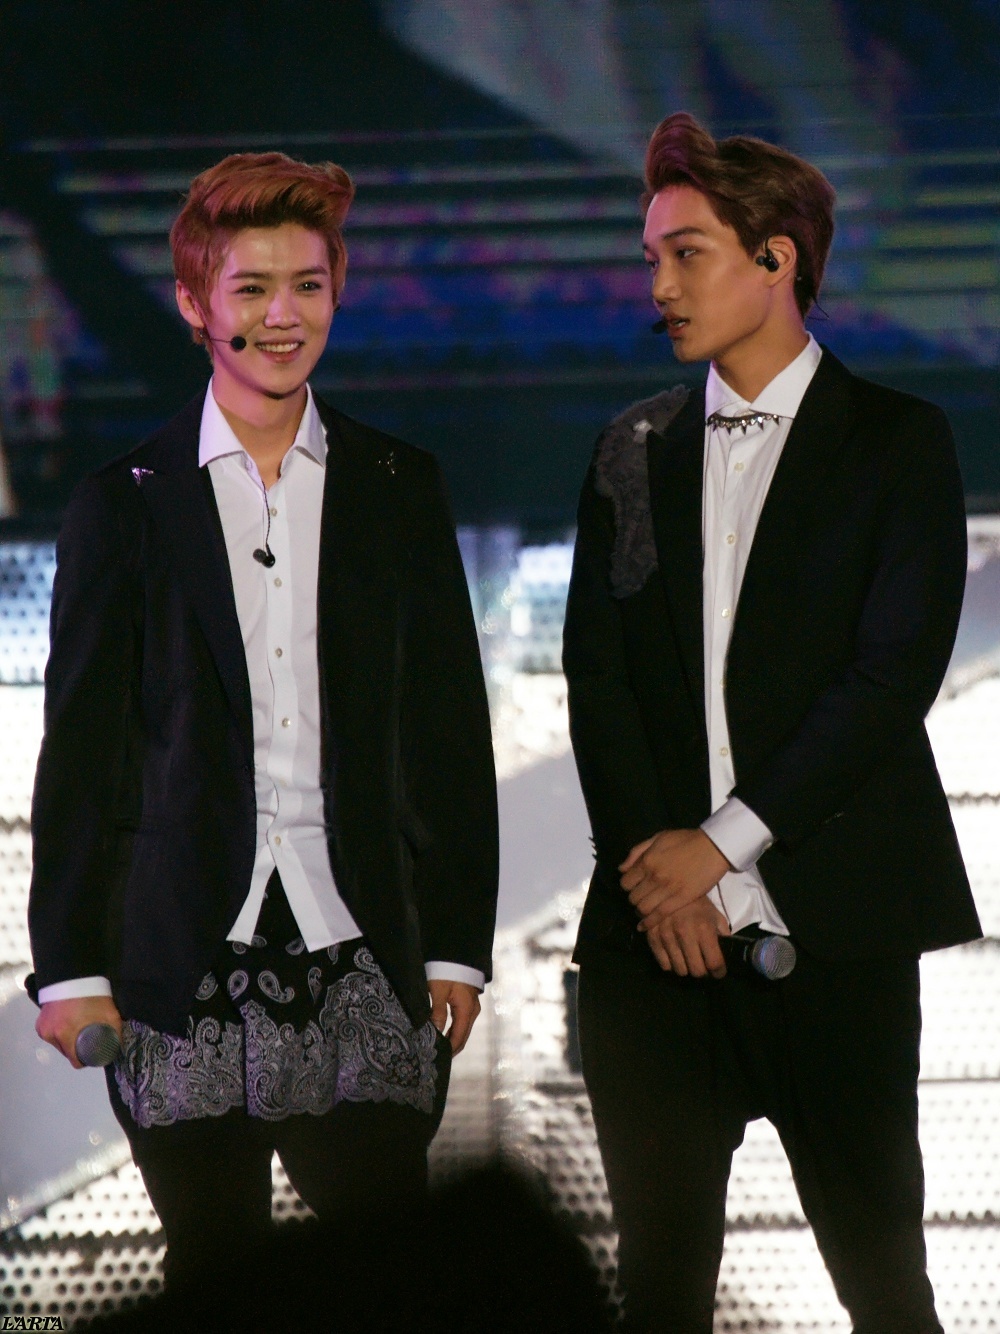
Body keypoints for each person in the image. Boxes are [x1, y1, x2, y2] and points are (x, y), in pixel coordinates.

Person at [27, 151, 498, 1287]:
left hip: (363, 947)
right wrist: (69, 966)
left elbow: (445, 729)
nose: (283, 316)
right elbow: (82, 752)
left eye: (309, 285)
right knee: (214, 1273)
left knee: (390, 1279)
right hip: (179, 959)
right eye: (252, 288)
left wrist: (455, 945)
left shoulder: (399, 485)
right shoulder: (122, 503)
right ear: (196, 305)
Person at [563, 113, 981, 1333]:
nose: (658, 285)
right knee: (657, 1293)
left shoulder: (896, 439)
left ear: (775, 257)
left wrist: (723, 843)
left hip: (835, 928)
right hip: (653, 949)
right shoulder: (631, 448)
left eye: (685, 253)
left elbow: (888, 675)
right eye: (650, 258)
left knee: (885, 1284)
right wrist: (661, 876)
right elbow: (599, 678)